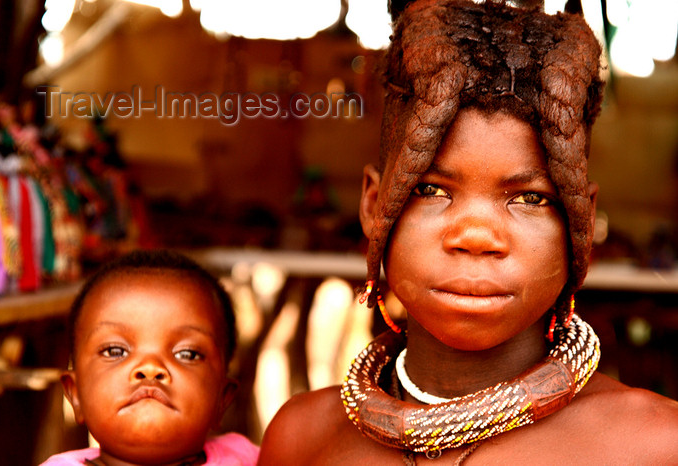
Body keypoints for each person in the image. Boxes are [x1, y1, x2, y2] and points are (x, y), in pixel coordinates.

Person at [258, 0, 678, 464]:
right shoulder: (302, 439)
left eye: (530, 198)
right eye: (431, 190)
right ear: (375, 207)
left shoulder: (655, 444)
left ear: (578, 222)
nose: (476, 235)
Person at [41, 250, 259, 465]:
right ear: (75, 394)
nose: (150, 368)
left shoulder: (247, 458)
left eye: (187, 354)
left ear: (222, 399)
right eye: (115, 351)